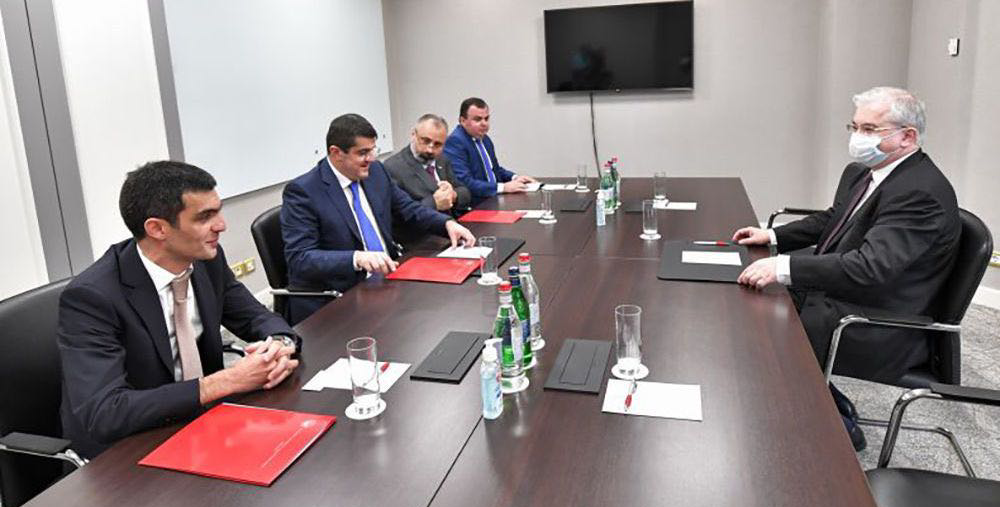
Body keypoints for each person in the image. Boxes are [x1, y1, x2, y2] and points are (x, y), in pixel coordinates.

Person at [731, 87, 960, 451]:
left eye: (870, 129)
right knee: (747, 302)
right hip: (845, 293)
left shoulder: (920, 192)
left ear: (907, 136)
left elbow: (870, 267)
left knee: (763, 325)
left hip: (877, 320)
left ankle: (835, 429)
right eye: (854, 127)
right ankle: (824, 398)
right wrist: (773, 236)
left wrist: (784, 266)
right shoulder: (869, 173)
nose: (857, 137)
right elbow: (834, 220)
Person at [58, 161, 300, 459]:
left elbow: (255, 316)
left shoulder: (206, 260)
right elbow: (105, 413)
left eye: (218, 211)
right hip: (131, 447)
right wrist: (226, 381)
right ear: (157, 228)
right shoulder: (91, 297)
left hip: (202, 425)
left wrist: (279, 344)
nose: (221, 225)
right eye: (205, 217)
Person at [281, 113, 476, 324]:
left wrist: (446, 223)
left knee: (445, 314)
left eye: (373, 150)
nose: (371, 159)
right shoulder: (304, 191)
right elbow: (300, 258)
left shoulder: (376, 172)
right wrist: (356, 258)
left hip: (388, 279)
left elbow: (408, 208)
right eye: (363, 153)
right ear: (336, 153)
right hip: (341, 296)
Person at [444, 97, 537, 202]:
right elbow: (465, 182)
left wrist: (514, 178)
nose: (484, 123)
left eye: (486, 118)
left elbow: (494, 169)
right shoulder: (455, 142)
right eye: (478, 119)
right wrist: (503, 187)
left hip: (493, 199)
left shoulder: (484, 139)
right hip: (475, 204)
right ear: (462, 121)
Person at [384, 113, 471, 215]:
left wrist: (453, 195)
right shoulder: (393, 167)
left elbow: (465, 193)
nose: (430, 149)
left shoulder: (442, 160)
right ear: (413, 135)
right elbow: (398, 214)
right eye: (425, 141)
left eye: (437, 144)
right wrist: (434, 203)